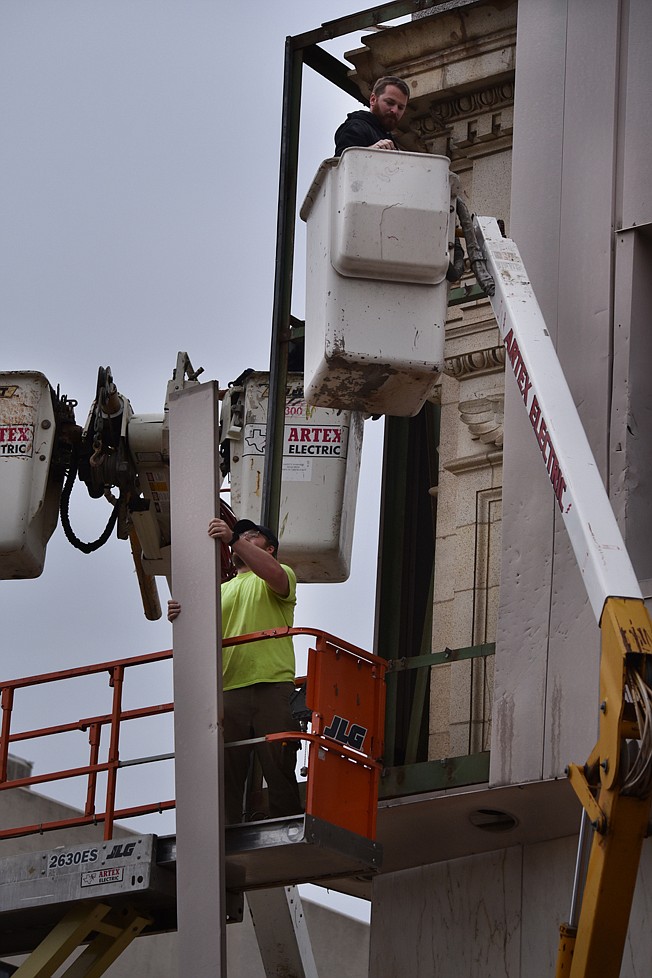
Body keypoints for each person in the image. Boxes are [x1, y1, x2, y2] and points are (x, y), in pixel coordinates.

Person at [167, 517, 302, 824]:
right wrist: (179, 615)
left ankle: (289, 825)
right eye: (241, 536)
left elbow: (273, 573)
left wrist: (232, 538)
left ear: (270, 549)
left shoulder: (279, 575)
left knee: (279, 762)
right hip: (228, 688)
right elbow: (196, 635)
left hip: (272, 682)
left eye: (252, 537)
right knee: (225, 771)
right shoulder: (219, 591)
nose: (243, 538)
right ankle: (224, 835)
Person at [334, 75, 409, 157]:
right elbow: (342, 164)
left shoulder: (386, 135)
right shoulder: (356, 127)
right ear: (373, 100)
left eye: (400, 107)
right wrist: (371, 152)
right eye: (390, 102)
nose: (395, 110)